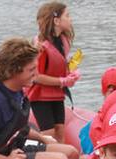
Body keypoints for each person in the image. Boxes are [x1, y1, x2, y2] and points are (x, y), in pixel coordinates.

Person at [26, 1, 80, 144]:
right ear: (56, 21)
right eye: (67, 16)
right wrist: (62, 81)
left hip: (56, 94)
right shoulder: (41, 46)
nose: (71, 19)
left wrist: (70, 73)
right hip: (40, 96)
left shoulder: (63, 40)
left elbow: (58, 64)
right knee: (49, 134)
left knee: (60, 132)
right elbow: (36, 76)